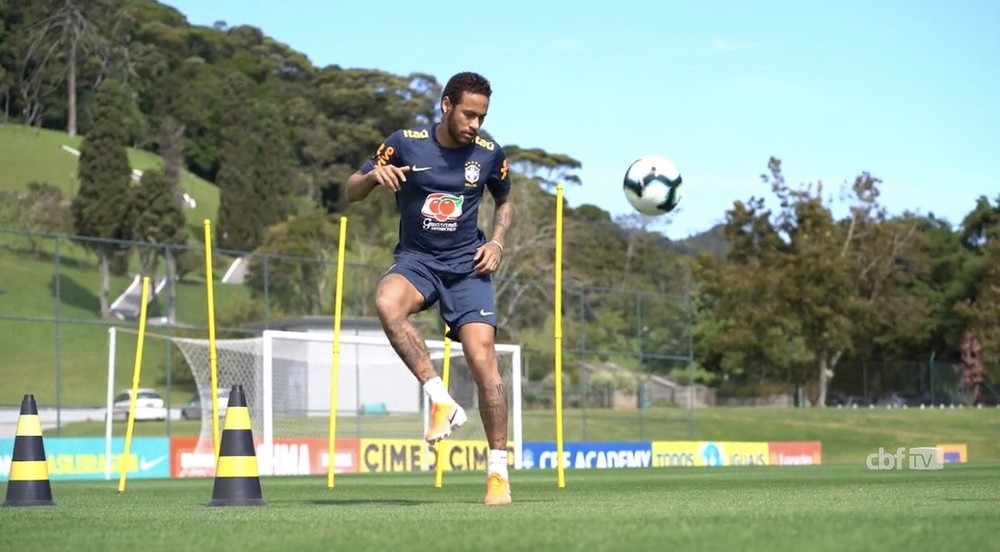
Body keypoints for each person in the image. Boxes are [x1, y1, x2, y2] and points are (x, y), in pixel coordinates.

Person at [345, 71, 514, 505]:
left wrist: (496, 241)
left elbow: (505, 201)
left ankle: (497, 472)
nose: (476, 124)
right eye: (469, 114)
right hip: (418, 262)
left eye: (482, 116)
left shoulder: (490, 153)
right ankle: (440, 400)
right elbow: (351, 190)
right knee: (386, 302)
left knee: (483, 363)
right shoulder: (404, 142)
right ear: (446, 105)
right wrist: (373, 177)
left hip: (467, 269)